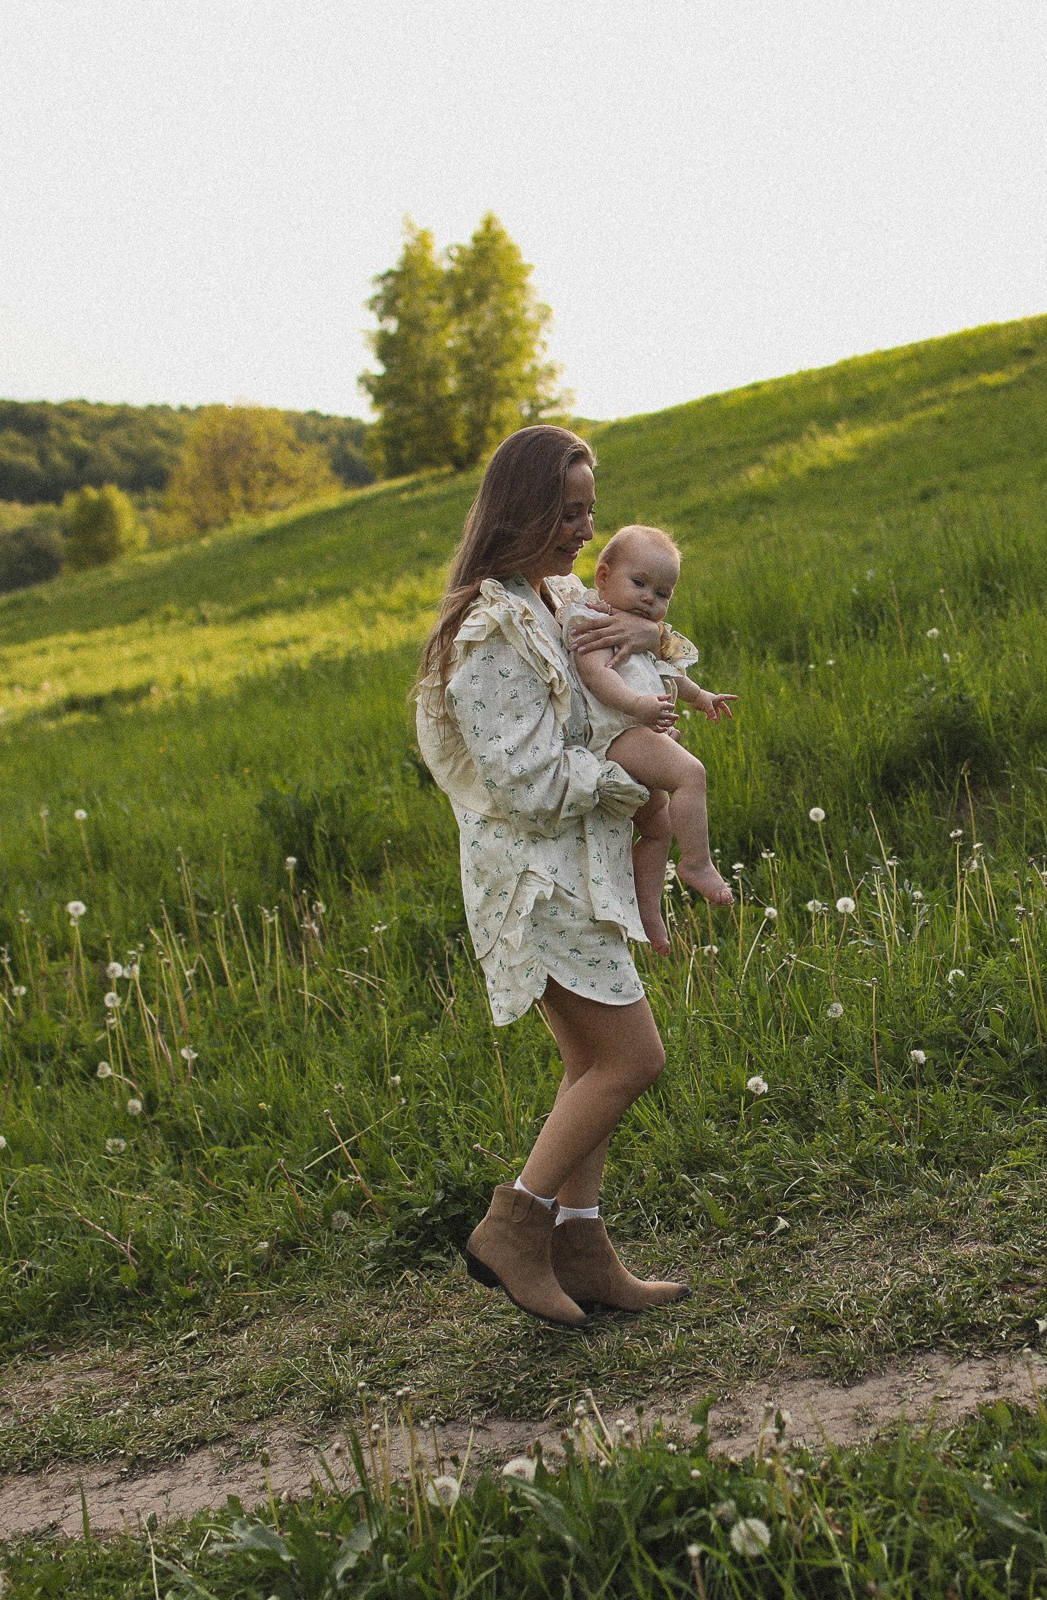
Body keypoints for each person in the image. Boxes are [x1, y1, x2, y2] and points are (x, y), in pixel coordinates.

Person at [412, 425, 688, 1326]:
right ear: (524, 509)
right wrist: (632, 782)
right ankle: (514, 1225)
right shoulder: (490, 631)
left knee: (588, 1061)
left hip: (576, 866)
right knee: (631, 1057)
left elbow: (650, 646)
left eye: (589, 508)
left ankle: (583, 1242)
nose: (585, 527)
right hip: (532, 876)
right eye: (567, 510)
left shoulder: (556, 597)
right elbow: (526, 782)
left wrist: (647, 627)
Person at [562, 523, 737, 955]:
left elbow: (672, 674)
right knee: (690, 773)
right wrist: (637, 705)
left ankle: (648, 909)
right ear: (603, 577)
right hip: (621, 734)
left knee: (657, 829)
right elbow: (596, 674)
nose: (649, 599)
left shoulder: (645, 631)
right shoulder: (592, 619)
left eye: (662, 594)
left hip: (640, 732)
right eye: (639, 583)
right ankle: (696, 862)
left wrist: (703, 698)